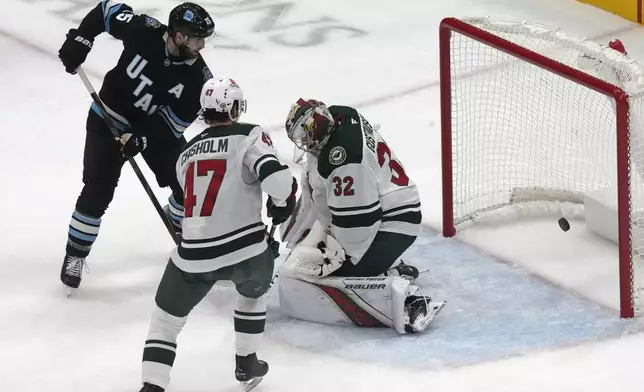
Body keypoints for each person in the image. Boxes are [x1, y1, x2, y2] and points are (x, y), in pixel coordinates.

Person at [137, 77, 297, 392]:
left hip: (193, 257)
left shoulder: (186, 154)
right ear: (235, 107)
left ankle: (152, 385)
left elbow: (184, 208)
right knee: (252, 295)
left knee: (165, 322)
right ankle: (246, 362)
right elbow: (278, 183)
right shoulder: (248, 135)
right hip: (248, 254)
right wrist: (282, 205)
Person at [57, 1, 215, 293]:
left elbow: (171, 126)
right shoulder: (143, 30)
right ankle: (75, 255)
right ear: (179, 36)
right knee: (98, 189)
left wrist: (141, 138)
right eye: (196, 38)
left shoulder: (197, 80)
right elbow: (106, 11)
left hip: (152, 130)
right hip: (108, 119)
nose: (202, 45)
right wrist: (82, 38)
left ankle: (176, 220)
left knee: (187, 179)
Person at [277, 99, 445, 334]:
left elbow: (359, 224)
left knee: (338, 272)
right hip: (392, 205)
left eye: (306, 136)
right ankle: (387, 265)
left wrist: (340, 259)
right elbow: (320, 192)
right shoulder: (341, 117)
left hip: (395, 222)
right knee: (323, 253)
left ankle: (404, 294)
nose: (305, 144)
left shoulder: (345, 160)